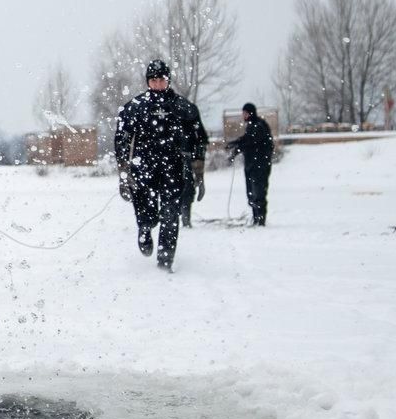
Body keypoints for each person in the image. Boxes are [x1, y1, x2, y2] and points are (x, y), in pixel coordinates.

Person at [113, 59, 208, 272]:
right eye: (153, 80)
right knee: (145, 207)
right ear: (148, 82)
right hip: (144, 166)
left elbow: (199, 140)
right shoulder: (135, 107)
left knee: (170, 213)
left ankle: (165, 261)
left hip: (173, 167)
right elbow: (121, 139)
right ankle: (145, 229)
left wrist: (199, 173)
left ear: (168, 80)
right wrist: (123, 173)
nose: (157, 84)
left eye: (161, 80)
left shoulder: (183, 107)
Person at [227, 102, 276, 226]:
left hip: (259, 166)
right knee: (251, 193)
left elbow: (250, 141)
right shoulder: (252, 125)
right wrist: (235, 144)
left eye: (245, 113)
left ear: (250, 113)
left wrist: (237, 148)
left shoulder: (259, 125)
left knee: (258, 192)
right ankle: (256, 218)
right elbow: (246, 139)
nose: (243, 115)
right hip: (251, 165)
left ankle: (260, 220)